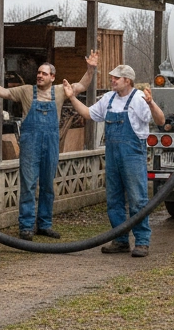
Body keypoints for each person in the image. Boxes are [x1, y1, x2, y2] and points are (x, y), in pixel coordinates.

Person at [0, 52, 98, 241]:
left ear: (52, 77)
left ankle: (44, 225)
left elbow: (82, 85)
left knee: (47, 185)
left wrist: (91, 69)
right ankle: (26, 226)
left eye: (44, 73)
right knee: (29, 185)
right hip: (30, 143)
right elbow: (4, 92)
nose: (39, 76)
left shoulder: (61, 90)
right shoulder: (26, 91)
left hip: (51, 143)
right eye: (39, 73)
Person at [63, 64, 166, 257]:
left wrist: (152, 104)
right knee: (114, 199)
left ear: (127, 80)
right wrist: (72, 97)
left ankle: (142, 242)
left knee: (137, 199)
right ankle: (120, 240)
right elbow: (87, 114)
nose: (112, 80)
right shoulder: (108, 99)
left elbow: (160, 121)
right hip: (112, 155)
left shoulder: (139, 98)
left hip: (133, 155)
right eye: (112, 77)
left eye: (116, 78)